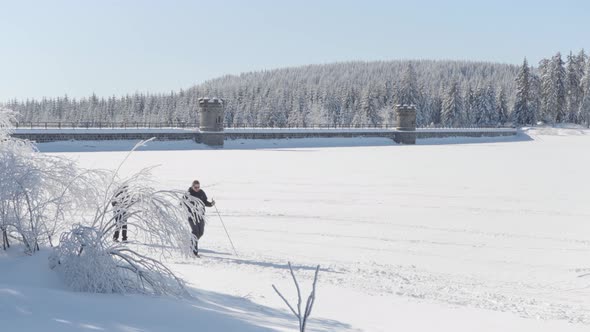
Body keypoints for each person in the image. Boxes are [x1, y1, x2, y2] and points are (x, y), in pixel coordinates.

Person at [183, 180, 215, 257]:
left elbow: (205, 202)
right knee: (195, 232)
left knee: (201, 233)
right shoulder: (188, 194)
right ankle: (194, 252)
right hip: (192, 217)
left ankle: (190, 243)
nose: (197, 188)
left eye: (198, 187)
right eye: (195, 187)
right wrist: (190, 207)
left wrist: (211, 204)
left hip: (201, 216)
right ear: (192, 186)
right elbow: (182, 203)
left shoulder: (201, 192)